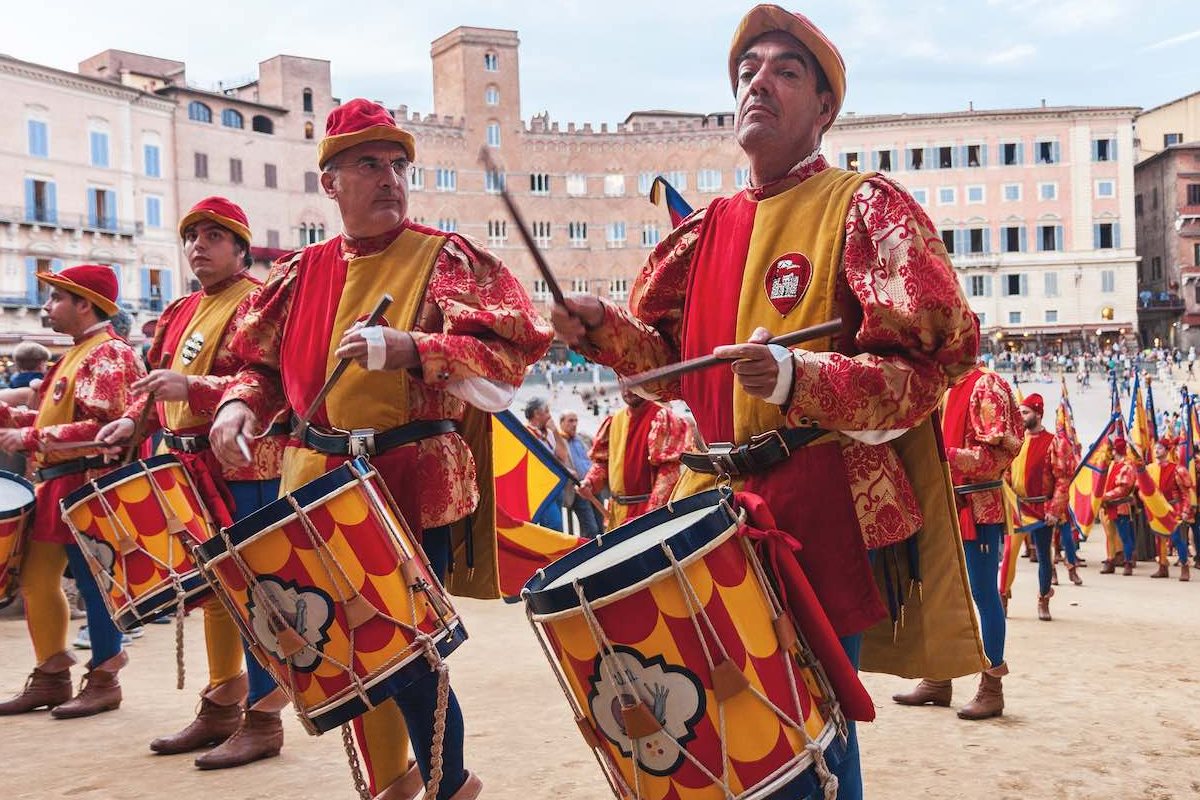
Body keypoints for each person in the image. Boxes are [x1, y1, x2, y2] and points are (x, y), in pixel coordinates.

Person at [550, 7, 981, 797]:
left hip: (816, 502)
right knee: (721, 722)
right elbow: (670, 365)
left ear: (824, 109)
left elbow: (930, 365)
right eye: (748, 71)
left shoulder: (865, 206)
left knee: (815, 730)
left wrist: (799, 378)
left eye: (785, 71)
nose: (759, 83)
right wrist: (600, 330)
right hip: (710, 507)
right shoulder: (707, 230)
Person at [207, 98, 552, 800]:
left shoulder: (444, 256)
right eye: (369, 163)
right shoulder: (301, 274)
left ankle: (452, 784)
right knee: (343, 648)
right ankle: (390, 785)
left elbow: (510, 356)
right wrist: (241, 402)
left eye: (398, 164)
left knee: (403, 651)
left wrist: (414, 348)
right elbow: (260, 366)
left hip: (401, 476)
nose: (390, 176)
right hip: (311, 474)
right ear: (330, 182)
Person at [97, 197, 291, 768]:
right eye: (191, 237)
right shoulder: (181, 308)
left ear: (239, 247)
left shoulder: (259, 300)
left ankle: (265, 716)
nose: (197, 246)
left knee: (255, 591)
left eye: (213, 235)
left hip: (244, 463)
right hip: (185, 464)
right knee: (213, 591)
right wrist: (132, 422)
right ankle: (223, 701)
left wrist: (198, 391)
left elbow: (269, 379)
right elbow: (160, 385)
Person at [0, 265, 144, 718]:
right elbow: (54, 418)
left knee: (93, 581)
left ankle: (104, 677)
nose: (46, 307)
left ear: (84, 303)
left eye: (56, 298)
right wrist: (12, 418)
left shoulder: (108, 354)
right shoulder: (80, 352)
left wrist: (29, 438)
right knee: (37, 578)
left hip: (88, 483)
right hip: (60, 482)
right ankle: (51, 673)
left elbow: (104, 429)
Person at [893, 365, 1021, 719]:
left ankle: (992, 686)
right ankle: (938, 677)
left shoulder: (987, 384)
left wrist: (944, 457)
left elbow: (1002, 453)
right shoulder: (937, 385)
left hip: (975, 505)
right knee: (937, 589)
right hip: (940, 502)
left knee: (982, 593)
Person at [1001, 394, 1072, 621]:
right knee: (1010, 553)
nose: (1021, 417)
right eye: (1020, 412)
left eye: (1025, 413)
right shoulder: (1015, 441)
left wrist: (1054, 510)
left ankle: (1043, 598)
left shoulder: (1054, 442)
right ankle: (1002, 598)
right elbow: (1007, 473)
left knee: (1043, 555)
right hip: (1018, 507)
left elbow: (1062, 479)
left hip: (1042, 509)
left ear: (1038, 414)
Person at [580, 388, 684, 529]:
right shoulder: (614, 420)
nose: (628, 389)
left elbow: (668, 472)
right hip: (616, 514)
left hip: (647, 513)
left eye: (633, 381)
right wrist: (590, 482)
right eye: (622, 383)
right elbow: (603, 462)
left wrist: (651, 514)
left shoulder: (661, 417)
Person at [1147, 436, 1192, 581]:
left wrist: (1185, 511)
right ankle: (1162, 566)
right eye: (1155, 448)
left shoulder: (1177, 469)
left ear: (1167, 450)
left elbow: (1186, 494)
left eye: (1160, 448)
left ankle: (1185, 566)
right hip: (1158, 509)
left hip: (1174, 509)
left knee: (1177, 539)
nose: (1156, 450)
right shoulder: (1151, 469)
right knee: (1159, 539)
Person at [523, 396, 570, 530]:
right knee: (554, 525)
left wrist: (555, 431)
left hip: (554, 486)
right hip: (540, 487)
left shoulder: (548, 433)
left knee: (557, 529)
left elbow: (563, 455)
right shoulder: (525, 432)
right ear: (537, 413)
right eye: (547, 412)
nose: (550, 416)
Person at [559, 411, 604, 537]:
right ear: (562, 423)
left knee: (602, 525)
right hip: (578, 489)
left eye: (575, 420)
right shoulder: (559, 442)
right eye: (570, 421)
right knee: (591, 529)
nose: (574, 424)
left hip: (593, 485)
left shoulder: (582, 437)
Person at [1100, 437, 1138, 575]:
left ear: (1117, 450)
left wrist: (1105, 496)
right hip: (1108, 506)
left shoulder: (1127, 467)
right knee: (1109, 535)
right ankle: (1110, 561)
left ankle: (1128, 562)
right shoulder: (1111, 465)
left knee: (1125, 536)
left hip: (1120, 506)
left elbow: (1123, 488)